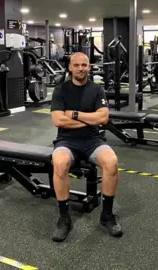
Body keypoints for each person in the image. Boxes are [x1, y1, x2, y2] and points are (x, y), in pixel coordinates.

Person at [50, 52, 123, 242]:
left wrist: (73, 114)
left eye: (84, 65)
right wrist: (89, 119)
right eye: (77, 65)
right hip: (66, 141)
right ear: (70, 68)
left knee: (112, 162)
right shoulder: (60, 90)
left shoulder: (97, 90)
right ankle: (64, 217)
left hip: (92, 141)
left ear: (89, 67)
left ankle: (106, 215)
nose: (81, 68)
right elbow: (58, 120)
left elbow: (103, 118)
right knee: (59, 163)